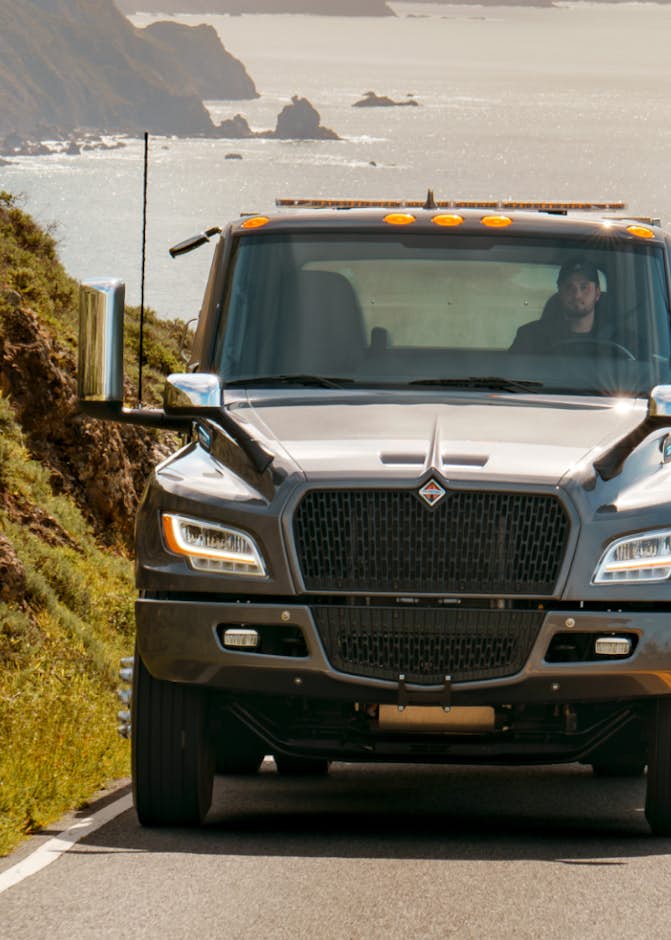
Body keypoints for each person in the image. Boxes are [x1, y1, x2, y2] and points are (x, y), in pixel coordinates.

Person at [510, 258, 621, 354]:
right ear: (560, 292)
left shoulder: (620, 340)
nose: (577, 295)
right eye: (569, 287)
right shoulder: (530, 337)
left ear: (597, 293)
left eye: (584, 287)